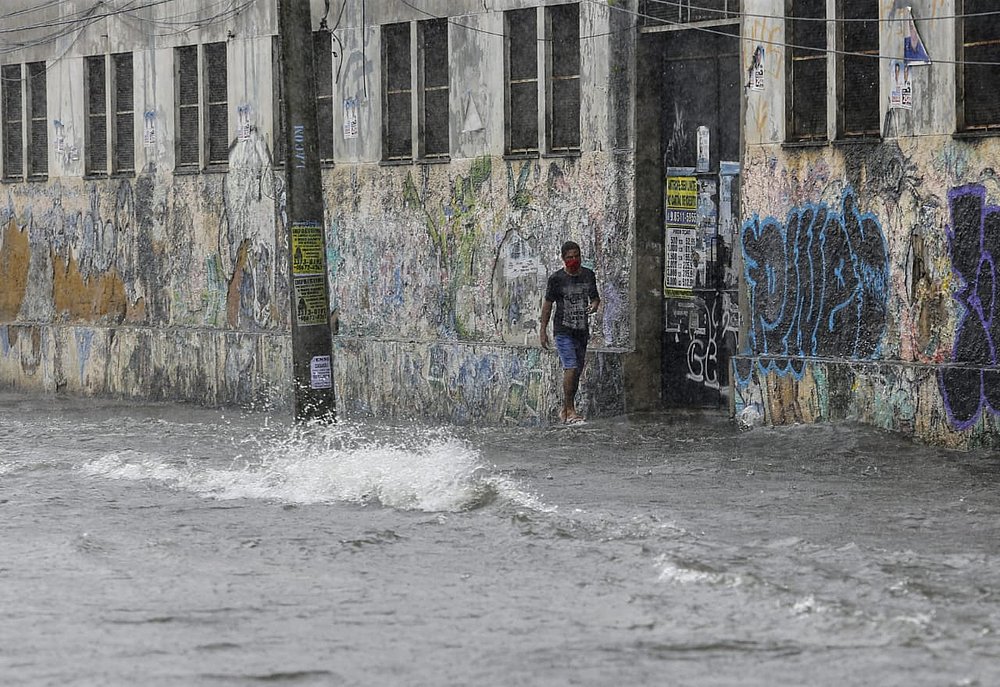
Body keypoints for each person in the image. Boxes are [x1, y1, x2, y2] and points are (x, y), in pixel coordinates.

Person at [539, 241, 600, 424]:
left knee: (577, 371)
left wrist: (594, 305)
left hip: (581, 330)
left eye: (576, 256)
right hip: (563, 330)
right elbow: (548, 305)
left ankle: (565, 409)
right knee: (571, 367)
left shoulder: (588, 275)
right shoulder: (556, 279)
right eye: (570, 257)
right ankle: (570, 410)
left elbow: (595, 298)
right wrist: (543, 330)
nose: (574, 260)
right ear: (563, 259)